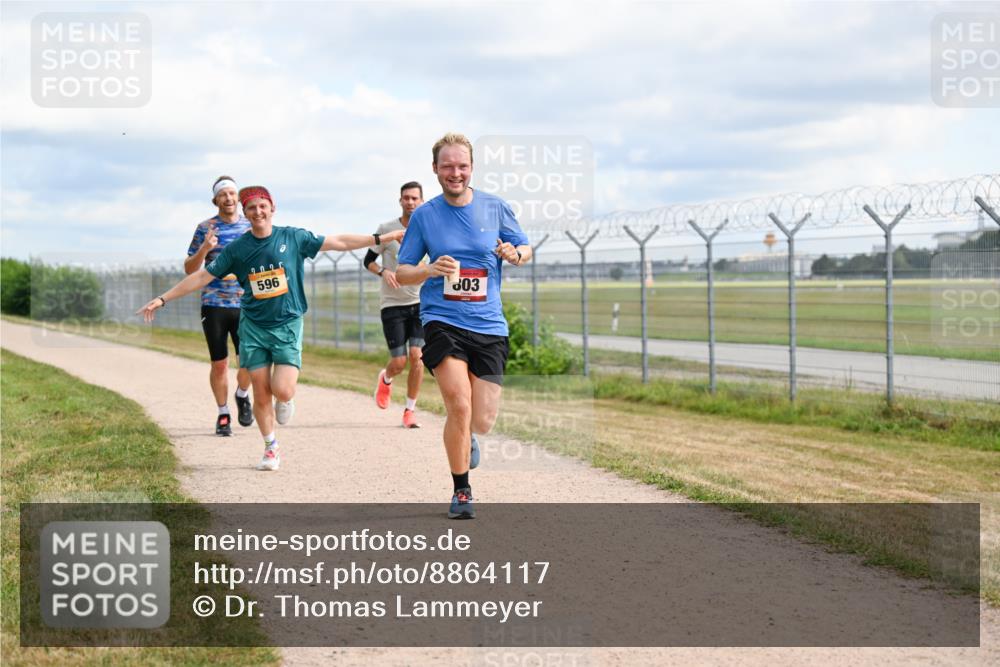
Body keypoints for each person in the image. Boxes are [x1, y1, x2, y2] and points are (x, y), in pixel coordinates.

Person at [139, 185, 405, 472]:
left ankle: (286, 401)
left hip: (288, 323)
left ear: (272, 207)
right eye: (251, 207)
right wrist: (162, 298)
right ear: (246, 212)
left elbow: (338, 241)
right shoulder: (237, 249)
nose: (257, 212)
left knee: (283, 390)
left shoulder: (292, 237)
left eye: (262, 206)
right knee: (261, 392)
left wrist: (382, 237)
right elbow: (202, 276)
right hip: (253, 326)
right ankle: (270, 447)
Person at [396, 133, 532, 519]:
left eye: (462, 166)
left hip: (488, 322)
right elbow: (403, 272)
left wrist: (514, 253)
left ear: (471, 168)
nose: (455, 173)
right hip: (442, 319)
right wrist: (428, 269)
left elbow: (525, 247)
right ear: (435, 169)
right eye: (447, 166)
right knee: (458, 402)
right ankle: (461, 491)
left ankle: (469, 434)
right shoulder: (425, 215)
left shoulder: (495, 207)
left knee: (483, 420)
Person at [184, 176, 253, 437]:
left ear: (238, 197)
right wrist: (204, 248)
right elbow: (190, 269)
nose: (228, 198)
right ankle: (223, 413)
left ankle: (242, 394)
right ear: (216, 200)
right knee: (220, 364)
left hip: (245, 303)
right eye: (223, 194)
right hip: (214, 304)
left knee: (248, 361)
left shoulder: (250, 225)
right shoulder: (205, 228)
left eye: (232, 193)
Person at [363, 181, 426, 428]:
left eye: (414, 198)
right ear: (400, 201)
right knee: (399, 362)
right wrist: (383, 272)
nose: (410, 202)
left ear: (421, 201)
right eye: (406, 198)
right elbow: (368, 260)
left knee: (417, 357)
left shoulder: (428, 229)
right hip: (392, 303)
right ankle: (386, 378)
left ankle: (410, 410)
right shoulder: (387, 229)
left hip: (421, 302)